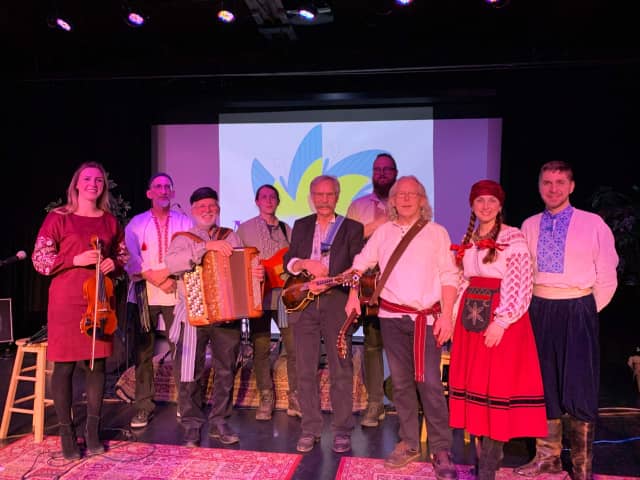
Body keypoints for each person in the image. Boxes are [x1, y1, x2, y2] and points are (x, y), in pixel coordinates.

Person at [344, 175, 458, 478]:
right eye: (400, 194)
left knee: (430, 384)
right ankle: (408, 442)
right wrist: (354, 294)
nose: (406, 198)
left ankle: (441, 448)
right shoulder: (383, 233)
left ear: (422, 200)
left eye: (413, 194)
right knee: (402, 383)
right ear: (392, 201)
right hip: (392, 319)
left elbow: (449, 276)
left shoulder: (437, 233)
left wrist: (447, 316)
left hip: (427, 319)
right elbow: (359, 265)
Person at [515, 161, 618, 480]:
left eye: (560, 182)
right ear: (539, 186)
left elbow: (608, 274)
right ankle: (547, 459)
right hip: (540, 309)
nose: (553, 188)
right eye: (547, 182)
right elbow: (524, 272)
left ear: (572, 186)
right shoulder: (529, 225)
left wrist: (586, 310)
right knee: (544, 385)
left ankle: (582, 467)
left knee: (579, 388)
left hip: (578, 308)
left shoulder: (593, 224)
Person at [448, 180, 547, 480]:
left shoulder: (512, 237)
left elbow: (520, 281)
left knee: (496, 389)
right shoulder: (469, 239)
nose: (486, 206)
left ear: (500, 205)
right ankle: (483, 464)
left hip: (500, 321)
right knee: (478, 391)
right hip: (470, 323)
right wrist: (453, 319)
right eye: (480, 201)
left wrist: (502, 320)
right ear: (472, 205)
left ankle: (489, 467)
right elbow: (463, 280)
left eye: (492, 201)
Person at [32, 161, 128, 460]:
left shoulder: (110, 221)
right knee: (64, 366)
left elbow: (122, 254)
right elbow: (40, 259)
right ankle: (66, 433)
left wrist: (115, 263)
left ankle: (92, 431)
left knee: (97, 365)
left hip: (99, 302)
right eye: (87, 179)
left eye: (98, 180)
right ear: (76, 184)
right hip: (66, 301)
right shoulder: (58, 217)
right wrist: (74, 259)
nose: (93, 184)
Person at [165, 187, 263, 447]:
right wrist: (206, 247)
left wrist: (255, 275)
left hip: (226, 314)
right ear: (193, 210)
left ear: (218, 210)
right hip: (193, 314)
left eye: (212, 206)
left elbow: (244, 266)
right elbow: (173, 265)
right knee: (189, 372)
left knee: (225, 370)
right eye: (202, 207)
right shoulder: (183, 238)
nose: (208, 210)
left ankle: (220, 420)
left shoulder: (231, 236)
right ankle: (191, 423)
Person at [283, 175, 364, 454]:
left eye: (329, 195)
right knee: (305, 370)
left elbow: (358, 267)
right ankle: (310, 428)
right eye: (319, 194)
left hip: (337, 304)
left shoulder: (352, 227)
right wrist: (304, 263)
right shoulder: (302, 225)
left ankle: (342, 431)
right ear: (311, 196)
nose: (324, 200)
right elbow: (289, 262)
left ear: (337, 196)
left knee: (341, 368)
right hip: (306, 305)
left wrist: (350, 290)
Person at [124, 172, 193, 429]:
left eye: (167, 187)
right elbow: (131, 260)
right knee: (143, 353)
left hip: (177, 292)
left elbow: (190, 255)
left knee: (182, 350)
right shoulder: (136, 223)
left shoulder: (185, 223)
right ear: (149, 193)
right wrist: (158, 279)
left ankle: (185, 406)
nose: (163, 191)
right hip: (145, 294)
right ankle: (143, 406)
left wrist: (171, 278)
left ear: (173, 193)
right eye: (158, 187)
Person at [236, 184, 300, 421]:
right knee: (261, 348)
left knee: (293, 347)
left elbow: (296, 259)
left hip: (283, 296)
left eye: (273, 196)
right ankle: (266, 396)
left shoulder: (287, 229)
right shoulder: (244, 229)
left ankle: (295, 397)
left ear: (278, 201)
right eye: (264, 196)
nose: (269, 200)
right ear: (256, 201)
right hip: (258, 296)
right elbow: (238, 261)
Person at [345, 152, 397, 427]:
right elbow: (352, 243)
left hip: (400, 285)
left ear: (396, 173)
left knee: (402, 346)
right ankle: (375, 403)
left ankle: (404, 400)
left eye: (387, 169)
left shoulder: (406, 204)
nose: (382, 174)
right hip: (368, 286)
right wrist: (378, 224)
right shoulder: (358, 206)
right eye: (377, 170)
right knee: (372, 343)